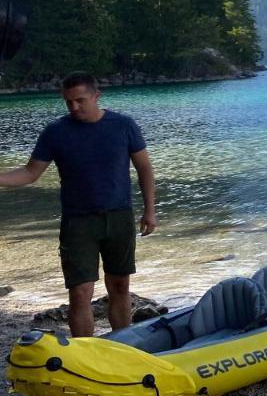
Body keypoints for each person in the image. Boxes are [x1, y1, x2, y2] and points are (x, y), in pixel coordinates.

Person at [0, 72, 156, 337]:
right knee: (80, 293)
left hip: (119, 217)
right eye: (68, 102)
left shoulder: (123, 125)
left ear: (96, 96)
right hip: (78, 222)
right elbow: (30, 173)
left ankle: (124, 348)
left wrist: (150, 211)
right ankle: (84, 355)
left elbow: (144, 169)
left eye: (80, 100)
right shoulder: (56, 132)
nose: (74, 107)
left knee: (119, 286)